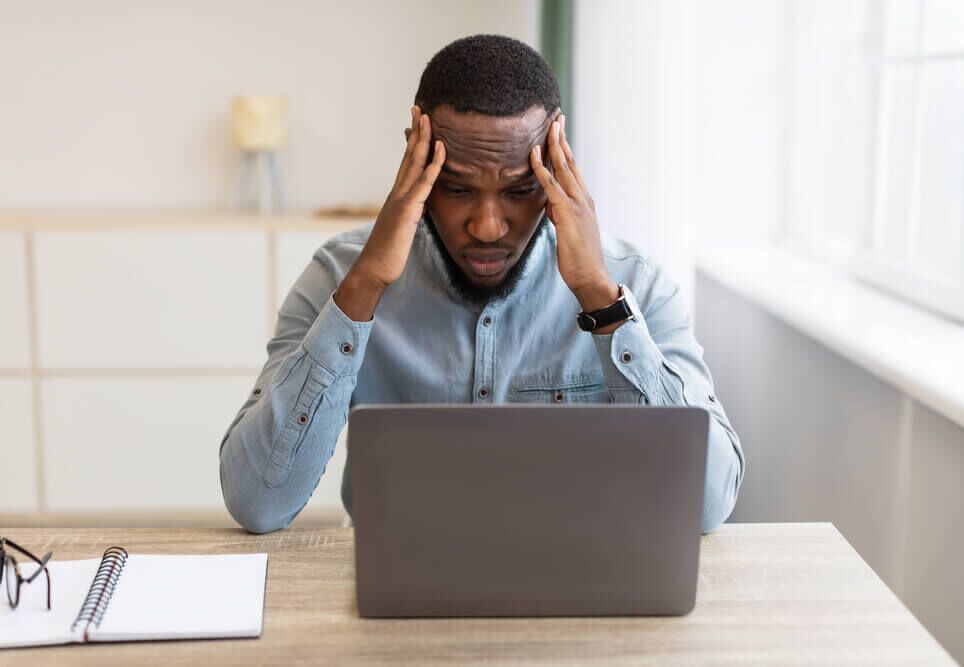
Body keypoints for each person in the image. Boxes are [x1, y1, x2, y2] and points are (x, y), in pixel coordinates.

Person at [219, 34, 745, 535]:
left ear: (558, 161)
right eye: (456, 188)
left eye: (520, 190)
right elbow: (257, 503)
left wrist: (600, 303)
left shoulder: (635, 285)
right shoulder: (341, 277)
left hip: (585, 594)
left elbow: (707, 506)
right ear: (415, 156)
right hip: (399, 597)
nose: (489, 227)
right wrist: (365, 290)